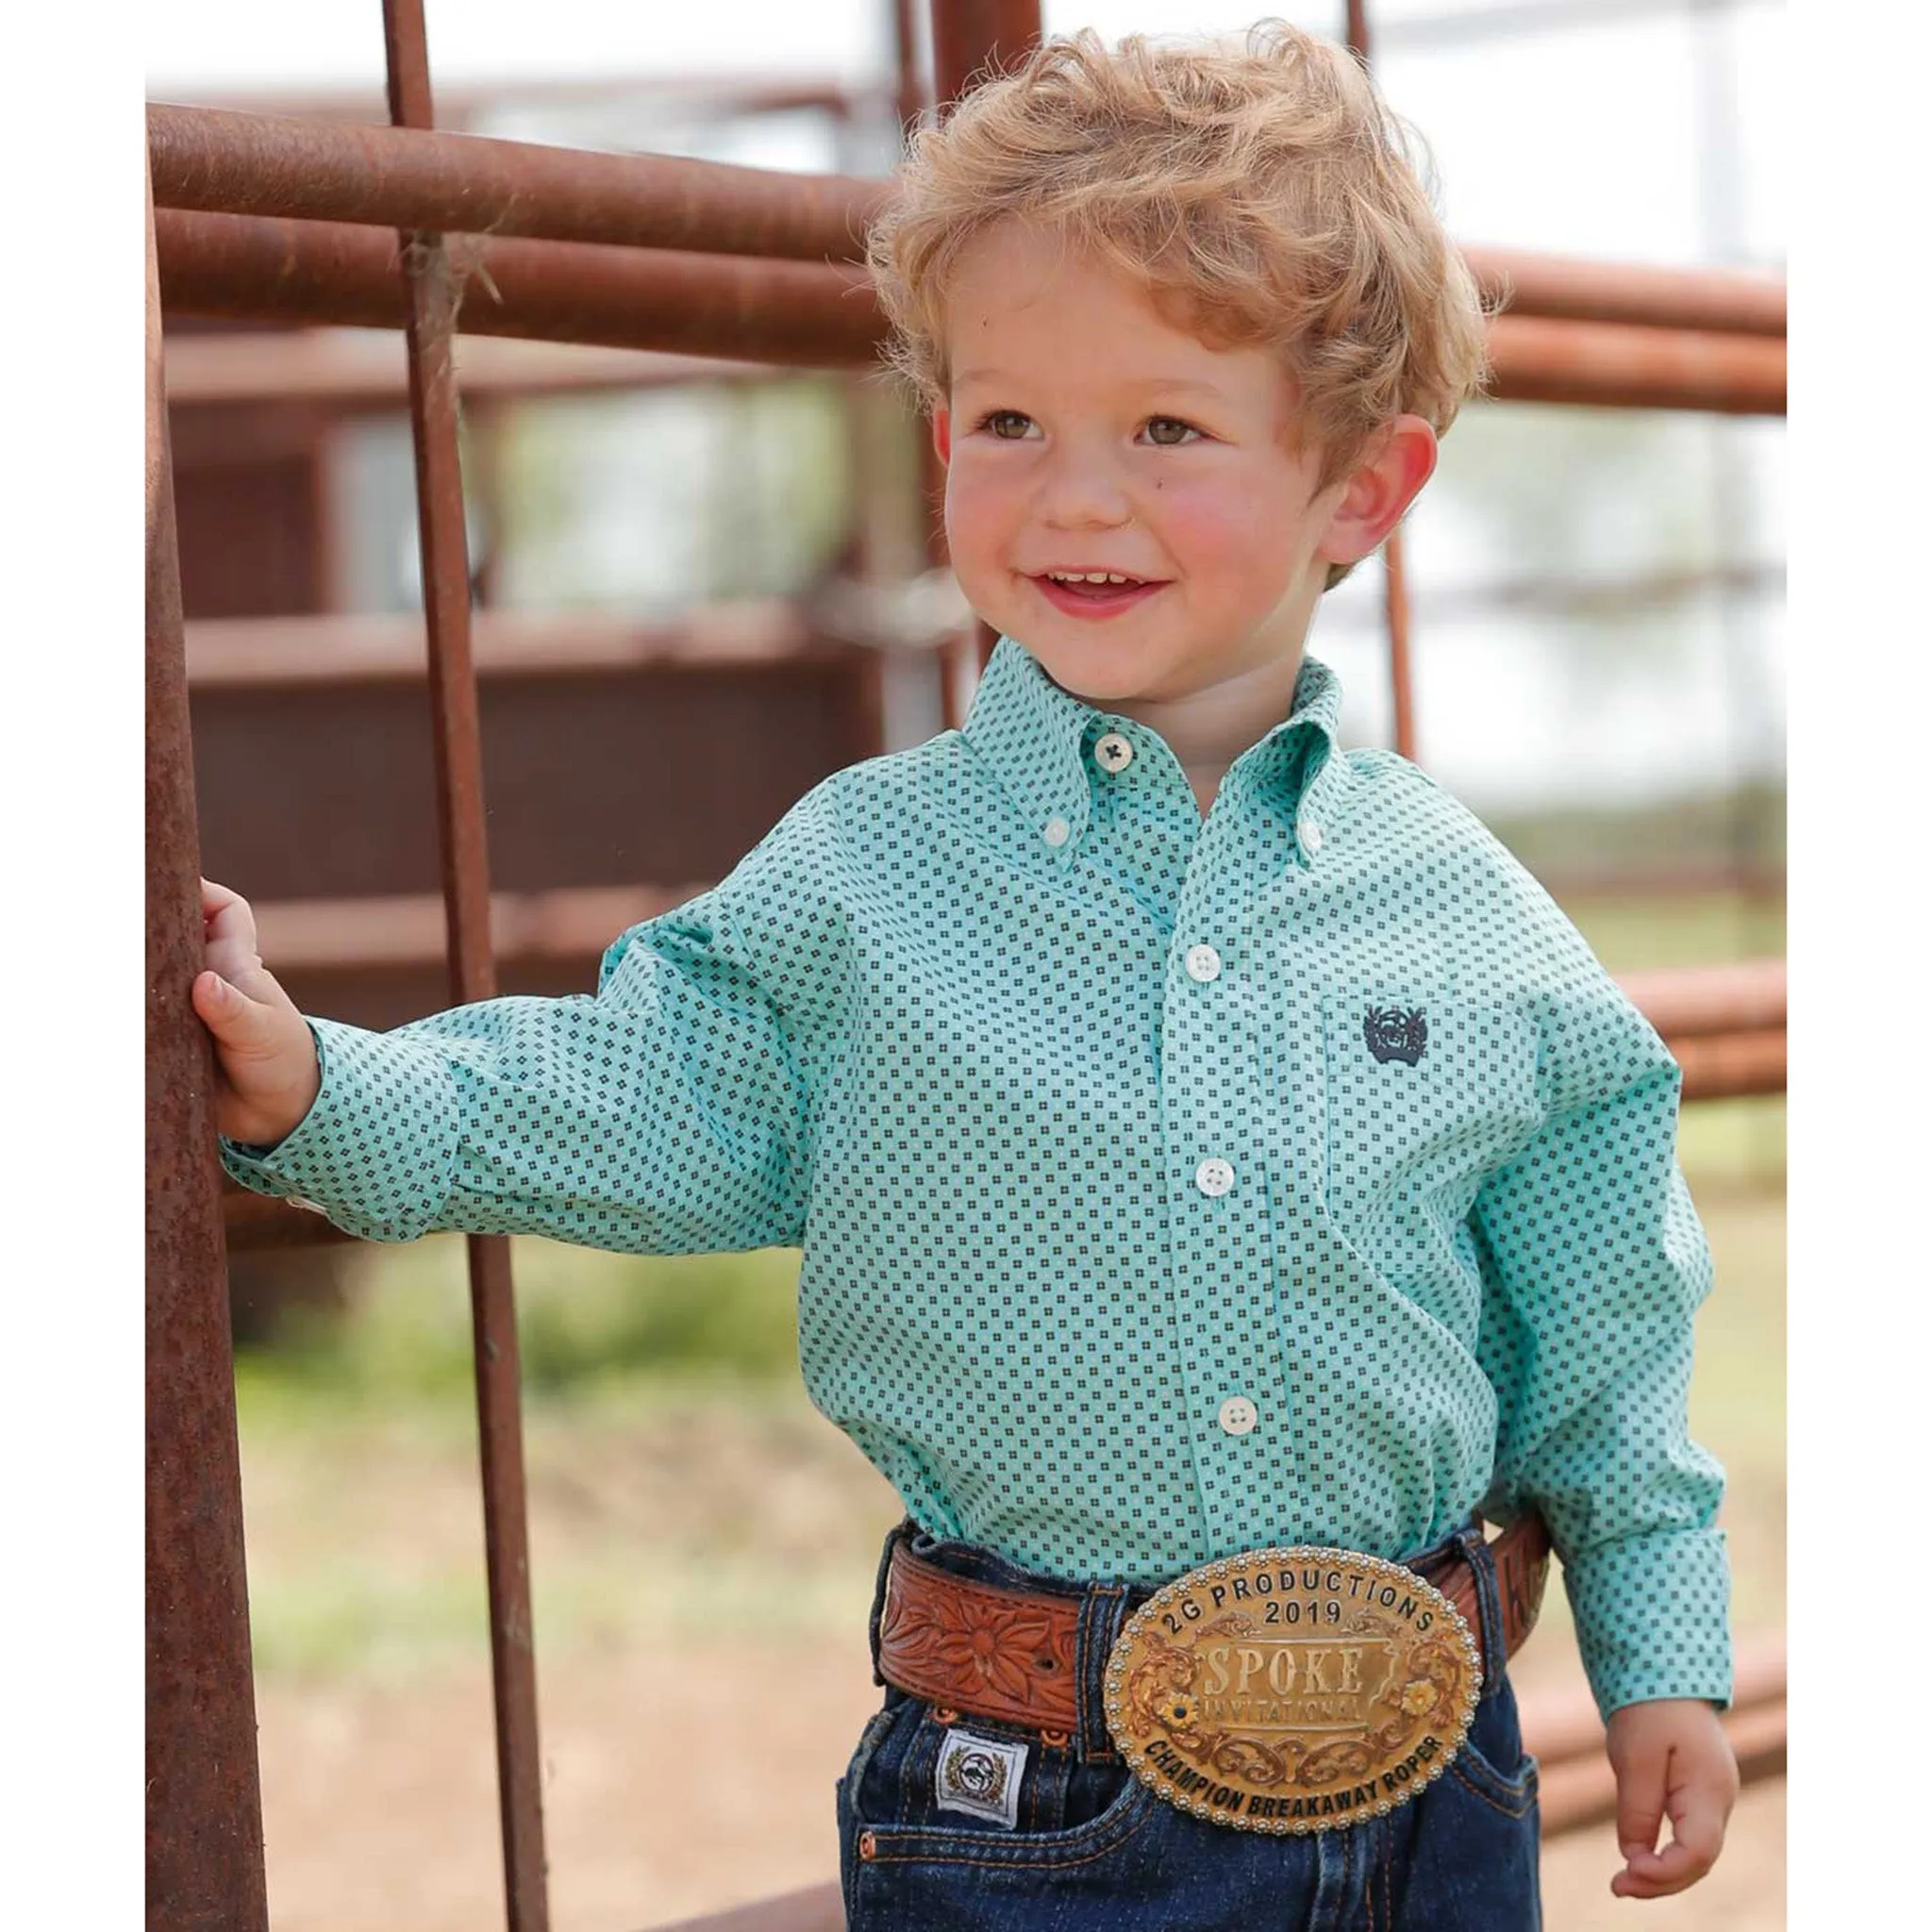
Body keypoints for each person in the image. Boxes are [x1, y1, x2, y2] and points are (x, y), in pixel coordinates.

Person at [197, 22, 1738, 1929]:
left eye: (1165, 430)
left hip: (1431, 1784)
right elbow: (648, 1083)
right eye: (1009, 424)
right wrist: (330, 1095)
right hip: (1028, 1807)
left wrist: (1660, 1645)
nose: (1072, 497)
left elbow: (1605, 1318)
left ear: (1361, 489)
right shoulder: (868, 875)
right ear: (945, 444)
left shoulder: (1469, 915)